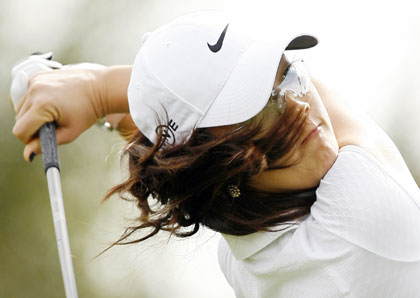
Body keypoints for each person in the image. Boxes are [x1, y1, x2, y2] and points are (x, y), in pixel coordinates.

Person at [11, 10, 420, 298]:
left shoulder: (241, 244)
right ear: (220, 167)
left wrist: (107, 99)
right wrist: (98, 88)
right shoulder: (363, 219)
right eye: (259, 107)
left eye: (288, 72)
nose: (298, 105)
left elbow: (189, 157)